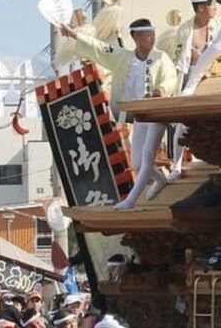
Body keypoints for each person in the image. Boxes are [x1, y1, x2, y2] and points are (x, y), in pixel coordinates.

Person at [61, 17, 178, 209]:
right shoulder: (123, 57)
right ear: (136, 37)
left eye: (153, 34)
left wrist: (161, 90)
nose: (152, 38)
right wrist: (74, 34)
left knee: (148, 156)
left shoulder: (160, 57)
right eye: (148, 34)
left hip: (157, 112)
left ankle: (130, 200)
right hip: (139, 115)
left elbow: (170, 77)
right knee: (139, 164)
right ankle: (161, 180)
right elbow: (98, 47)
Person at [165, 0, 221, 180]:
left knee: (218, 120)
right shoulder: (185, 30)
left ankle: (220, 160)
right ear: (201, 8)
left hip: (215, 77)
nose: (216, 8)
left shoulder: (218, 24)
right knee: (183, 124)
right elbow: (179, 61)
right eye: (212, 5)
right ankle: (176, 164)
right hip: (192, 77)